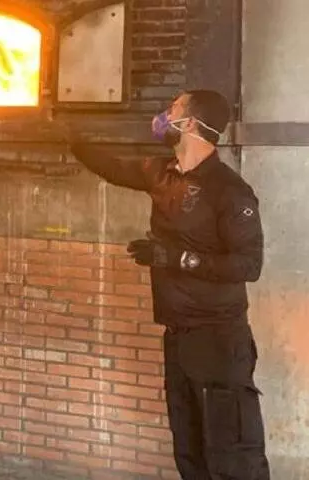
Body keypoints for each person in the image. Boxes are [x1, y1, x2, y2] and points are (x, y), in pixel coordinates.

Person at [68, 90, 270, 480]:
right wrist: (72, 139)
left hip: (218, 340)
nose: (164, 116)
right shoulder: (161, 174)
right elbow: (112, 168)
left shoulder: (230, 191)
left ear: (190, 123)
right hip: (177, 337)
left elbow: (249, 264)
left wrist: (175, 258)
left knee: (232, 455)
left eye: (173, 109)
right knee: (189, 450)